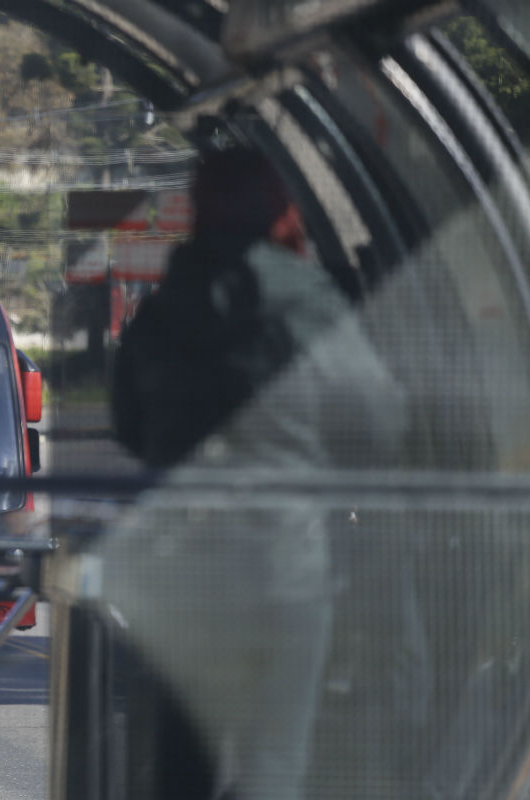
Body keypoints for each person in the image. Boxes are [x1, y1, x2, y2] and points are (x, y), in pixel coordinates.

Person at [106, 144, 409, 799]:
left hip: (181, 567)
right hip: (284, 566)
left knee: (181, 764)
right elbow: (378, 422)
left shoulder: (161, 311)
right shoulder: (309, 303)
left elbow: (128, 425)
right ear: (281, 211)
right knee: (276, 757)